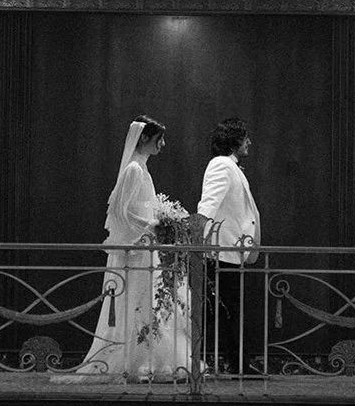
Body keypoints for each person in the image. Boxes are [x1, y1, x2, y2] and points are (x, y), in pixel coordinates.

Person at [53, 115, 192, 383]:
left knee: (146, 302)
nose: (162, 144)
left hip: (144, 248)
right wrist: (152, 224)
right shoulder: (134, 170)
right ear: (145, 139)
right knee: (135, 301)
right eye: (158, 139)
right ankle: (129, 361)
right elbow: (121, 210)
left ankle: (145, 359)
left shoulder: (142, 168)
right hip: (136, 249)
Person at [193, 118, 263, 375]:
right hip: (221, 251)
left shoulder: (229, 166)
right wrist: (198, 237)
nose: (249, 142)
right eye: (245, 137)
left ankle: (237, 363)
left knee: (228, 311)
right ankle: (229, 363)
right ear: (234, 140)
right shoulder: (221, 164)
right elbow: (209, 203)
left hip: (228, 251)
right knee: (220, 312)